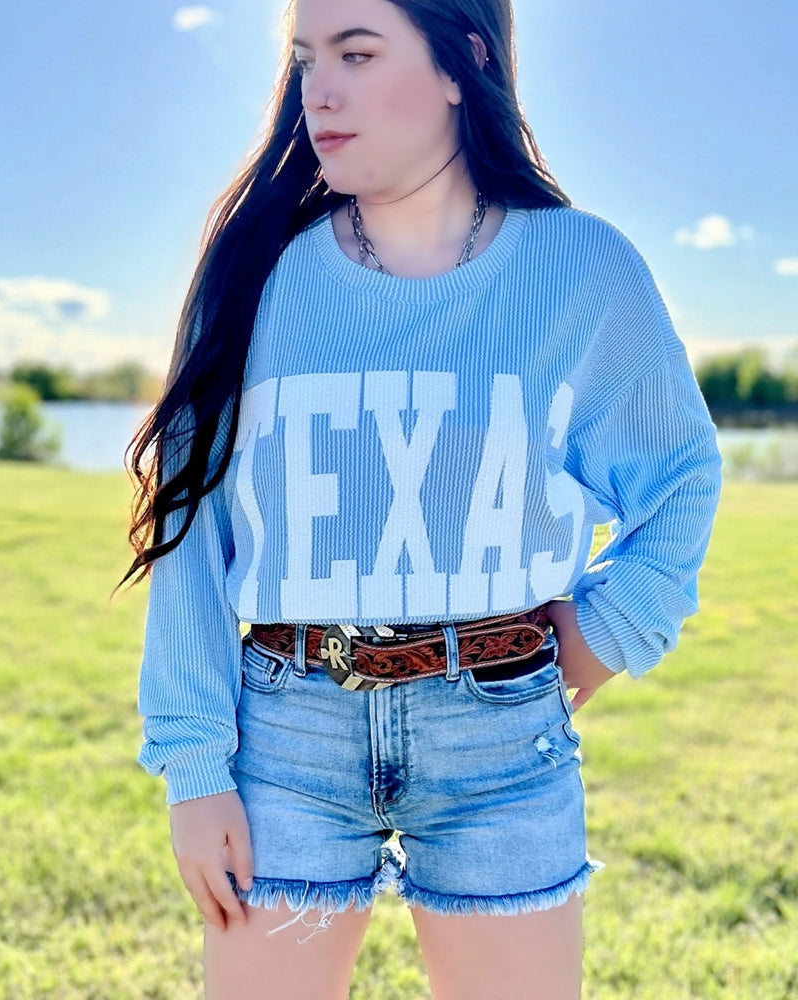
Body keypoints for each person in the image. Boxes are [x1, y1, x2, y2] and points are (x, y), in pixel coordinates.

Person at [123, 0, 722, 996]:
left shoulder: (582, 268)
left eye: (357, 53)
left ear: (459, 64)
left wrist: (611, 629)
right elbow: (191, 527)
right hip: (286, 732)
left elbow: (679, 477)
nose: (319, 90)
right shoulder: (255, 271)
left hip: (499, 735)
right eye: (306, 59)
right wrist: (195, 768)